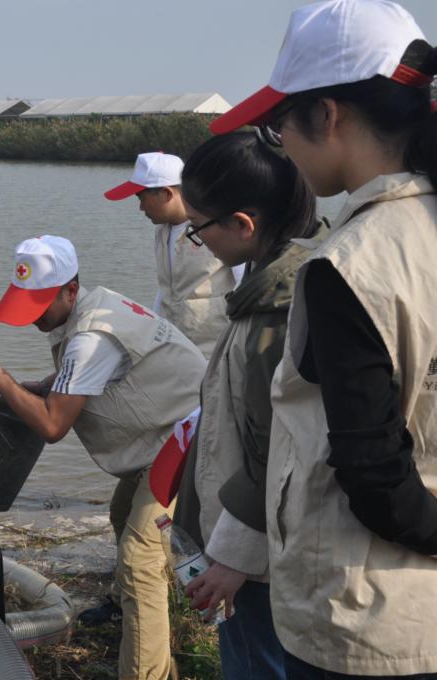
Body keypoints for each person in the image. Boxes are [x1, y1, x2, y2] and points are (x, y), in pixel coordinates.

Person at [210, 1, 437, 677]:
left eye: (278, 127)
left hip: (367, 624)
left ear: (328, 115)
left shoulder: (348, 265)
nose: (281, 145)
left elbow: (374, 474)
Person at [0, 235, 205, 680]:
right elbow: (81, 372)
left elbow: (53, 426)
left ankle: (145, 669)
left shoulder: (92, 336)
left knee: (139, 557)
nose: (34, 318)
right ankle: (142, 615)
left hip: (187, 436)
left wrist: (3, 378)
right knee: (122, 513)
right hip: (166, 432)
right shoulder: (95, 305)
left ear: (70, 290)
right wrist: (34, 386)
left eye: (40, 305)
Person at [166, 131, 326, 680]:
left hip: (260, 559)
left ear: (242, 224)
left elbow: (278, 448)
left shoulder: (277, 310)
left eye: (198, 227)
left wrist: (235, 559)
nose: (197, 241)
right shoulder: (272, 277)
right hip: (258, 543)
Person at [105, 152, 244, 357]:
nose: (141, 207)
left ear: (166, 194)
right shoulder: (162, 231)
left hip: (216, 348)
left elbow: (245, 283)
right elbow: (167, 287)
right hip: (177, 345)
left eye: (142, 198)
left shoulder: (216, 225)